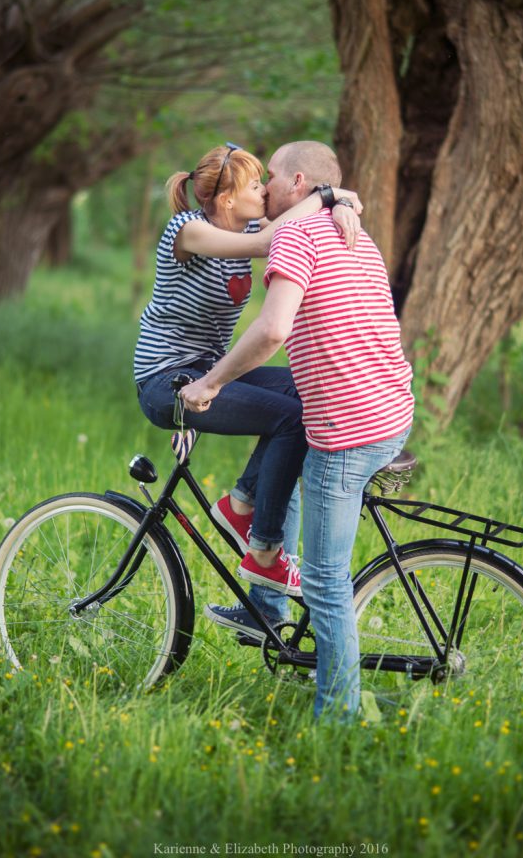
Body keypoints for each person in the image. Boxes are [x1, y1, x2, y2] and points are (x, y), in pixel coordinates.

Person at [180, 140, 414, 719]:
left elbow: (271, 331)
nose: (263, 190)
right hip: (391, 412)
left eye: (271, 178)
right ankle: (264, 598)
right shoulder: (355, 234)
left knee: (326, 583)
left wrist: (211, 383)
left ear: (298, 183)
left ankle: (337, 721)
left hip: (348, 429)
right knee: (288, 433)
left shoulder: (296, 234)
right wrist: (338, 200)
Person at [134, 142, 361, 639]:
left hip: (211, 371)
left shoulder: (248, 226)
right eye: (256, 184)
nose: (265, 191)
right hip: (166, 381)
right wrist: (329, 195)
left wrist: (340, 200)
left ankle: (252, 550)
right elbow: (272, 240)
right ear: (227, 200)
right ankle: (258, 543)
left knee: (307, 392)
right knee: (291, 421)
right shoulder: (188, 231)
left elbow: (288, 225)